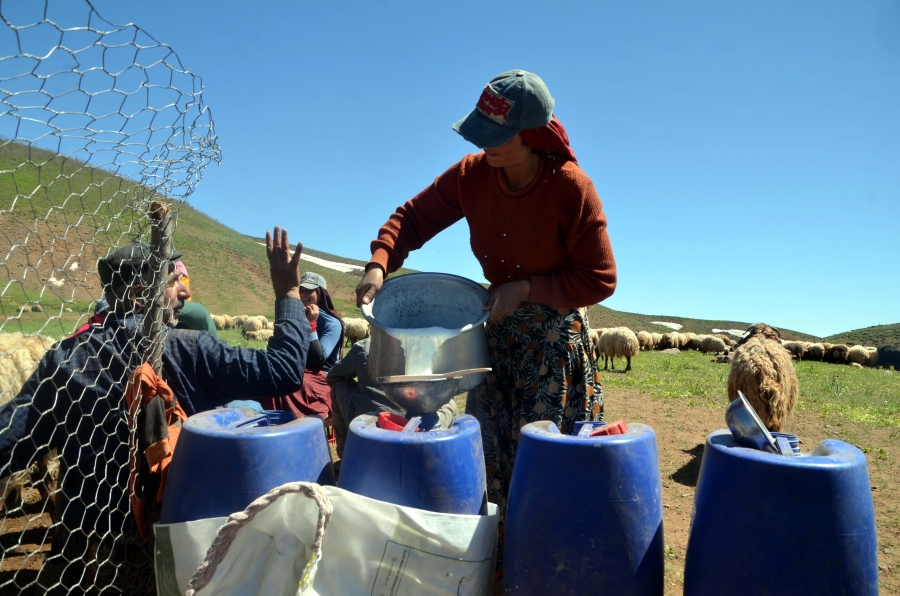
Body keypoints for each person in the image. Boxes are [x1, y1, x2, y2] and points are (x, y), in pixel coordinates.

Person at [354, 70, 617, 570]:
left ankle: (546, 567)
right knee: (489, 461)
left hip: (551, 351)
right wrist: (379, 262)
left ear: (533, 132)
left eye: (499, 137)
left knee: (544, 467)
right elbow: (412, 218)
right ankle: (495, 568)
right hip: (494, 342)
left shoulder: (571, 189)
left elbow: (600, 278)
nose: (486, 146)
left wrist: (530, 290)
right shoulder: (472, 177)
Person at [0, 226, 309, 595]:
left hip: (87, 559)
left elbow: (10, 441)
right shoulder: (190, 350)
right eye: (172, 281)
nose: (186, 293)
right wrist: (288, 294)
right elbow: (285, 370)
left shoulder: (65, 360)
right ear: (139, 294)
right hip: (171, 550)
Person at [326, 337, 457, 461]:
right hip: (423, 423)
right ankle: (437, 441)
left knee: (339, 386)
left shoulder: (365, 346)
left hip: (374, 428)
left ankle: (347, 456)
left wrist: (363, 387)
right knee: (449, 400)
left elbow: (333, 377)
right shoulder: (434, 347)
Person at [261, 272, 344, 421]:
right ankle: (271, 424)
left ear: (320, 293)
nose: (303, 294)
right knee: (269, 375)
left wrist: (311, 324)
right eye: (301, 290)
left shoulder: (332, 323)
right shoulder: (296, 316)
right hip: (297, 368)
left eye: (308, 290)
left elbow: (318, 359)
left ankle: (293, 424)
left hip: (321, 376)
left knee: (291, 384)